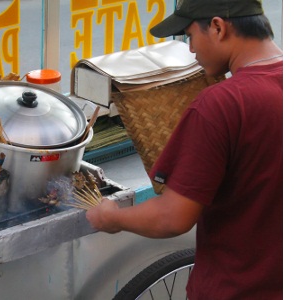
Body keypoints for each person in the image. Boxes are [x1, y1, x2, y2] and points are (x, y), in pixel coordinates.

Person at [85, 0, 283, 299]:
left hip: (237, 288)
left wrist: (111, 218)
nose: (191, 49)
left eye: (190, 35)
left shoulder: (222, 105)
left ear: (217, 27)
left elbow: (172, 217)